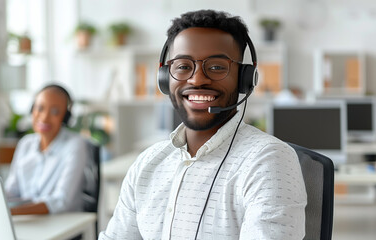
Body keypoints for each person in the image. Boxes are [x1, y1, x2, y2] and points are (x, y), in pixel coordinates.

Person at [99, 10, 307, 239]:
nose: (197, 80)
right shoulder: (147, 164)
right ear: (165, 78)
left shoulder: (268, 160)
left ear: (244, 79)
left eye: (217, 67)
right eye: (183, 66)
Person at [4, 84, 88, 215]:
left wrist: (14, 212)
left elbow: (61, 201)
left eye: (55, 112)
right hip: (29, 220)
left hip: (62, 222)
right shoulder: (25, 144)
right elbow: (11, 190)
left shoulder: (75, 145)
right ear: (32, 110)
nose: (44, 118)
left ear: (66, 117)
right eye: (40, 108)